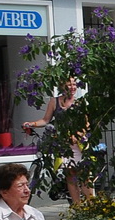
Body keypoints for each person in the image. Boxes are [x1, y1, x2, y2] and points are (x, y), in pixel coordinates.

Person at [21, 74, 91, 205]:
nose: (72, 87)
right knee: (70, 175)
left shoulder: (80, 102)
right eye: (69, 84)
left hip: (78, 143)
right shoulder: (54, 101)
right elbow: (45, 120)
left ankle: (92, 206)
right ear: (62, 86)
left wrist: (78, 135)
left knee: (84, 175)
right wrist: (32, 124)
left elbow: (86, 124)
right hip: (63, 143)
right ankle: (77, 208)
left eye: (74, 84)